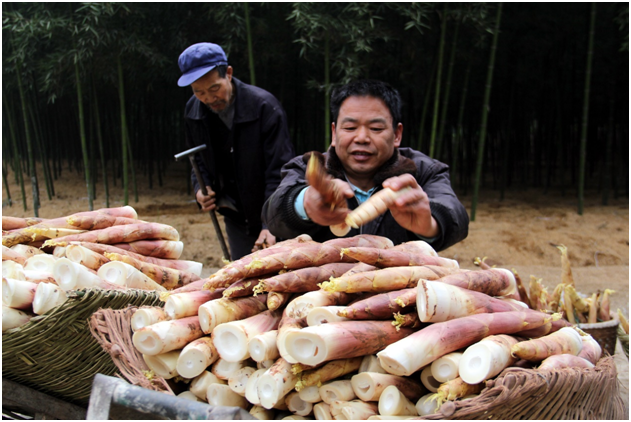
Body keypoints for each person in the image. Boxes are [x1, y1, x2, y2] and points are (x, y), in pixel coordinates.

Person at [262, 79, 468, 251]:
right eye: (350, 127)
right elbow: (273, 214)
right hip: (317, 293)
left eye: (376, 128)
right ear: (334, 133)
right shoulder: (308, 166)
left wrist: (430, 224)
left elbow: (456, 216)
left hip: (400, 293)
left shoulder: (424, 171)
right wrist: (305, 204)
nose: (361, 138)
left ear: (397, 135)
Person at [177, 42, 295, 259]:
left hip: (272, 210)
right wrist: (199, 188)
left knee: (280, 277)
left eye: (214, 88)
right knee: (243, 280)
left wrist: (270, 225)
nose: (209, 98)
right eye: (199, 92)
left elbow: (279, 171)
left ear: (228, 74)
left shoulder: (264, 107)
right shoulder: (193, 109)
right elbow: (197, 160)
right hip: (235, 214)